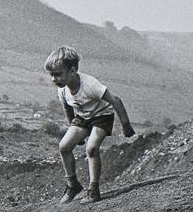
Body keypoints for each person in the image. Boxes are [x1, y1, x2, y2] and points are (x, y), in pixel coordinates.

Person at [46, 46, 136, 203]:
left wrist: (126, 125)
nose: (54, 79)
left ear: (72, 71)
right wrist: (74, 130)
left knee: (92, 148)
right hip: (83, 117)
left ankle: (93, 190)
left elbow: (116, 100)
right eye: (52, 75)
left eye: (58, 74)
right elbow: (68, 108)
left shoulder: (90, 85)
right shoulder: (63, 90)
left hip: (102, 116)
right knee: (64, 146)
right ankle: (73, 185)